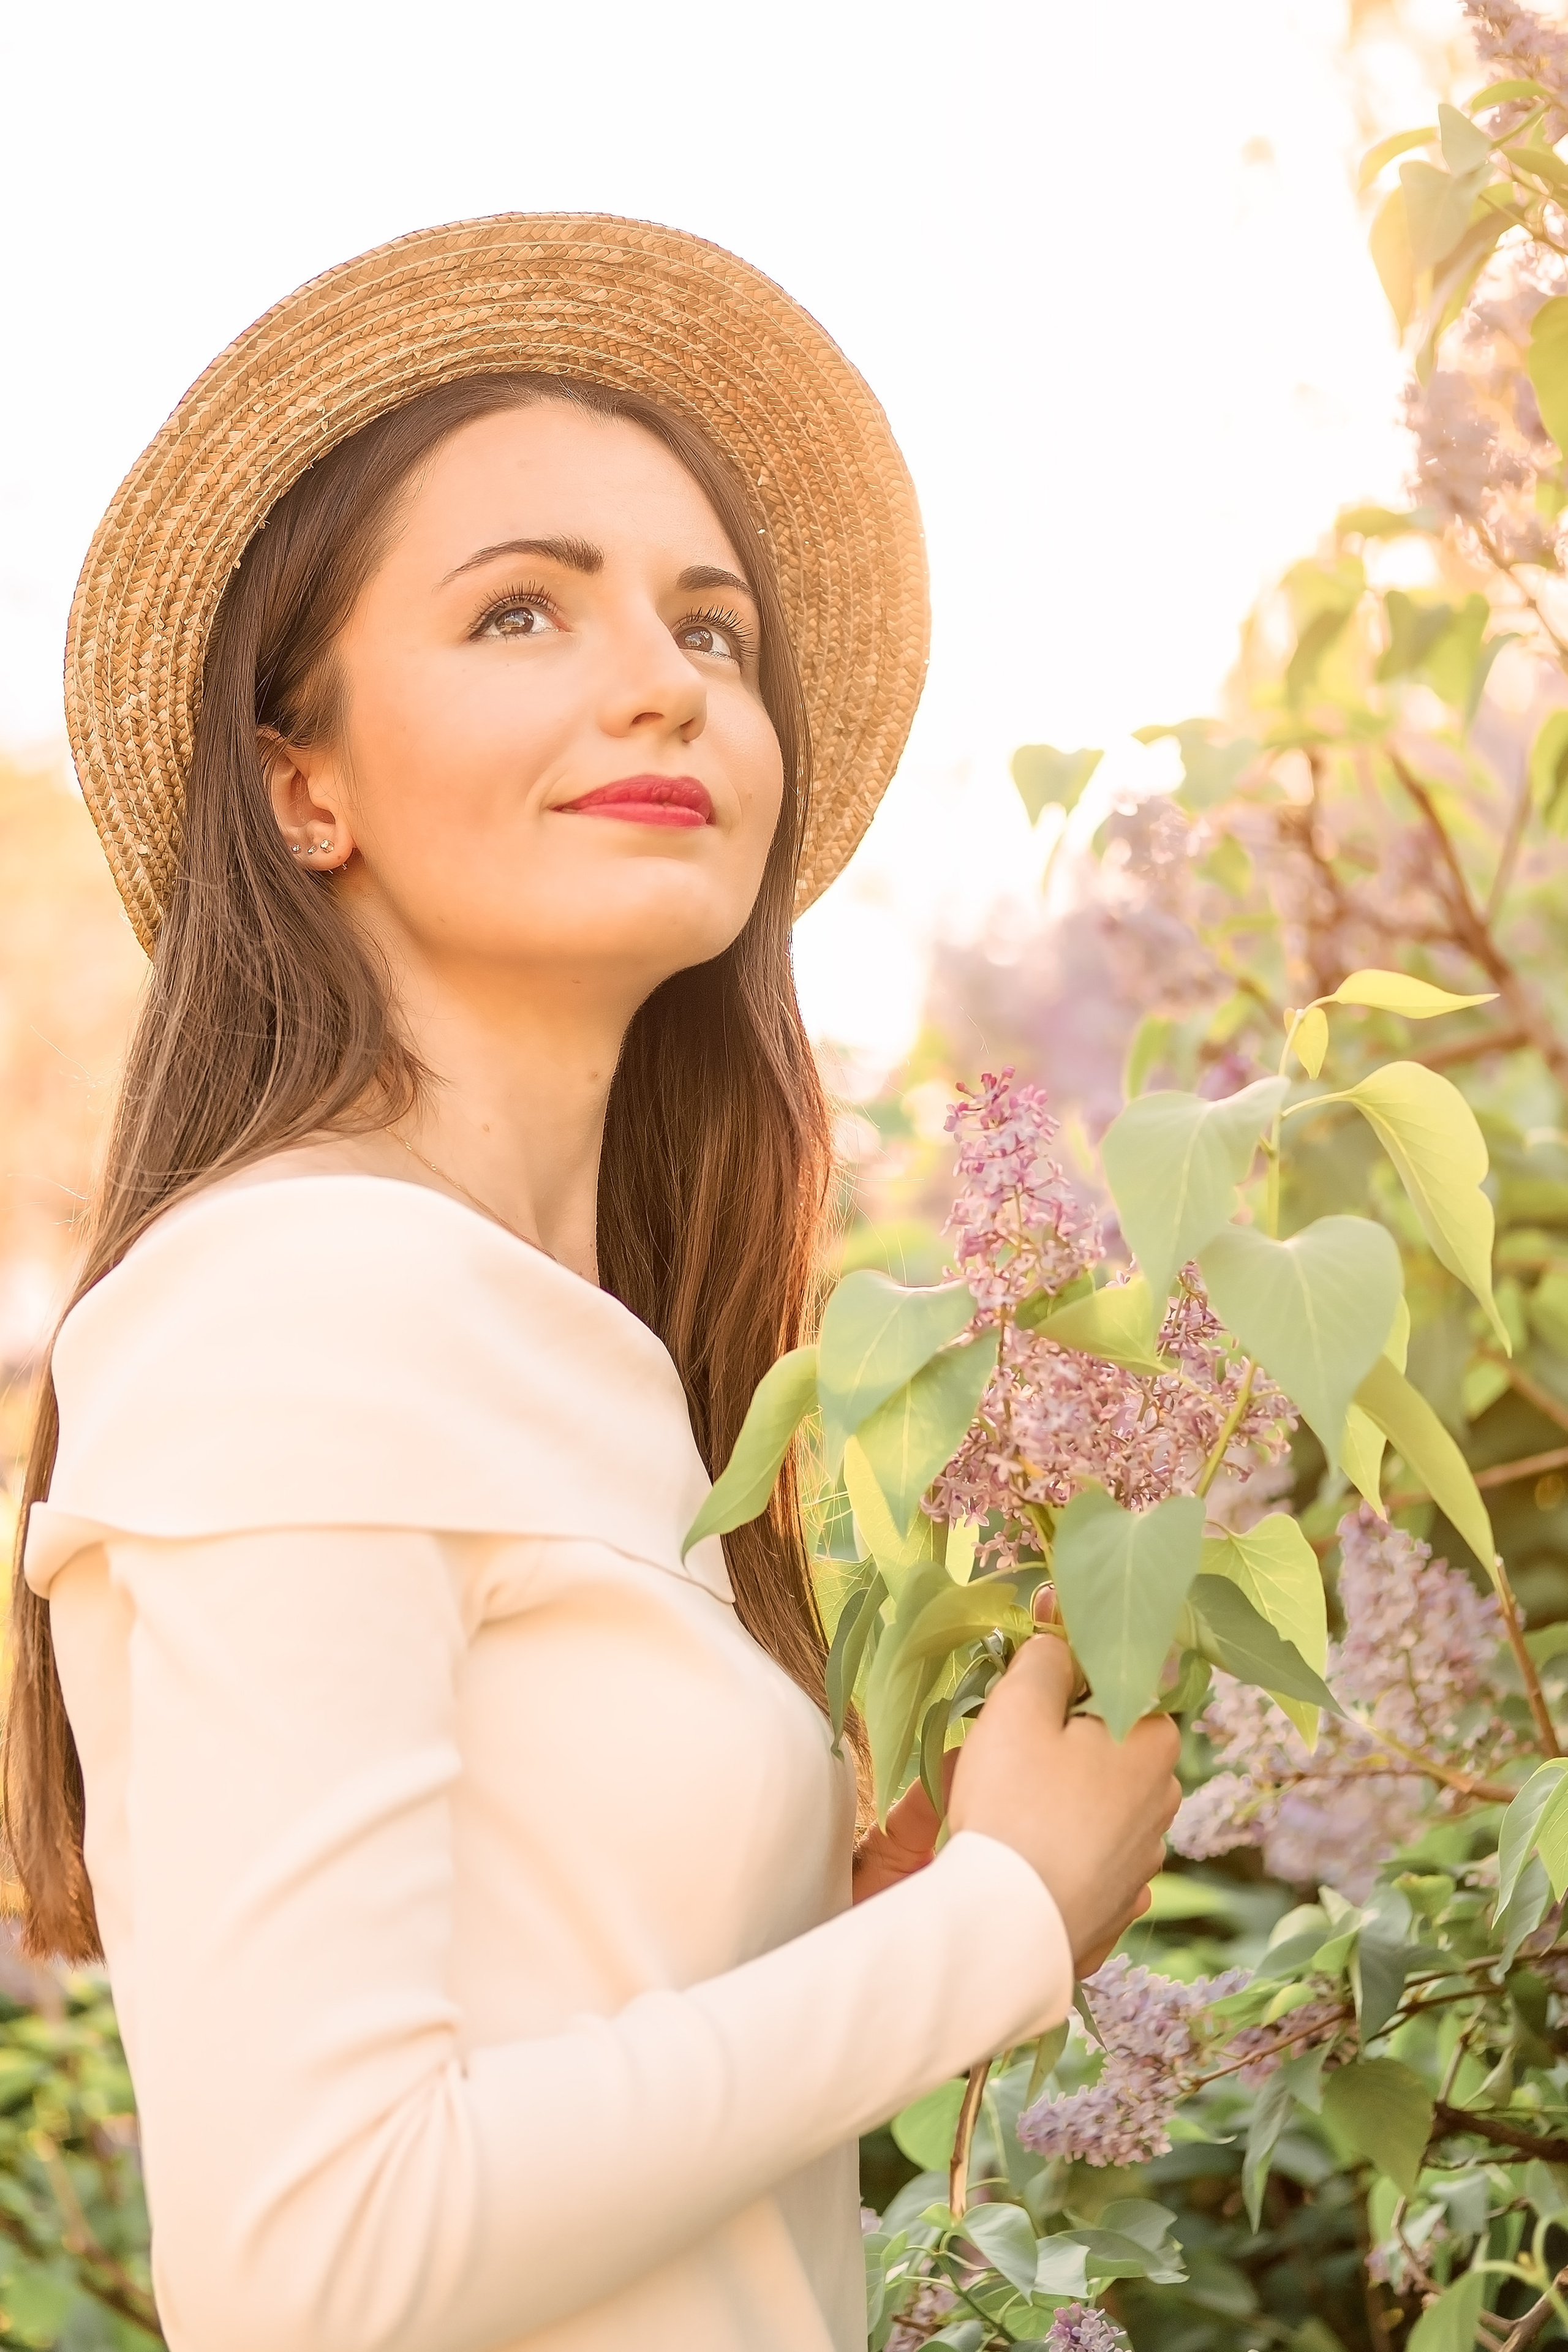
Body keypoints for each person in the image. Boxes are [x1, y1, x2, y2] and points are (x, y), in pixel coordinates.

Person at [4, 217, 1180, 2352]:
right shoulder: (291, 1301)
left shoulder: (615, 1373)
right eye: (523, 608)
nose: (666, 676)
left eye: (713, 628)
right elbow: (317, 2269)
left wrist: (830, 1894)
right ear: (303, 785)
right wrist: (998, 1927)